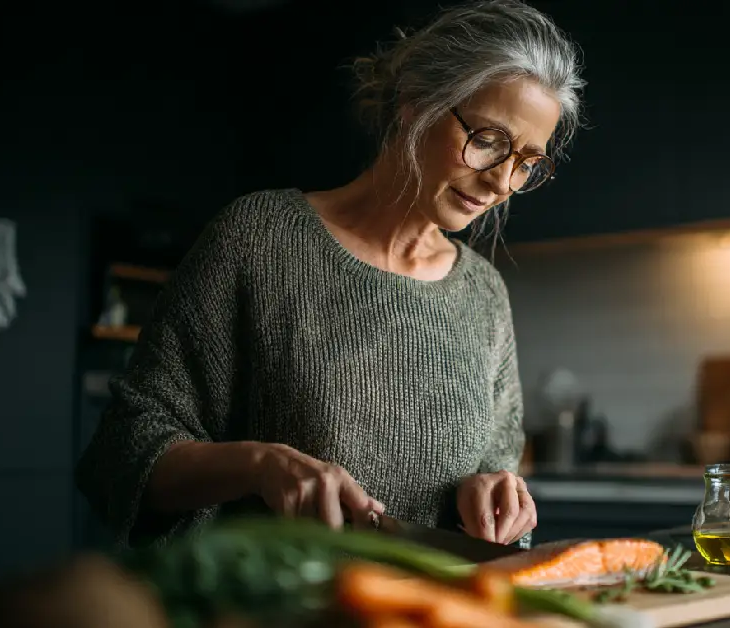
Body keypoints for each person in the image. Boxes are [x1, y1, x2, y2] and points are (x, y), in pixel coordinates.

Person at [75, 0, 585, 549]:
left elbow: (497, 477)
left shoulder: (483, 294)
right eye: (487, 141)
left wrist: (495, 498)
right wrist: (259, 466)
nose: (503, 182)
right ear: (415, 104)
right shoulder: (259, 238)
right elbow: (122, 452)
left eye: (528, 162)